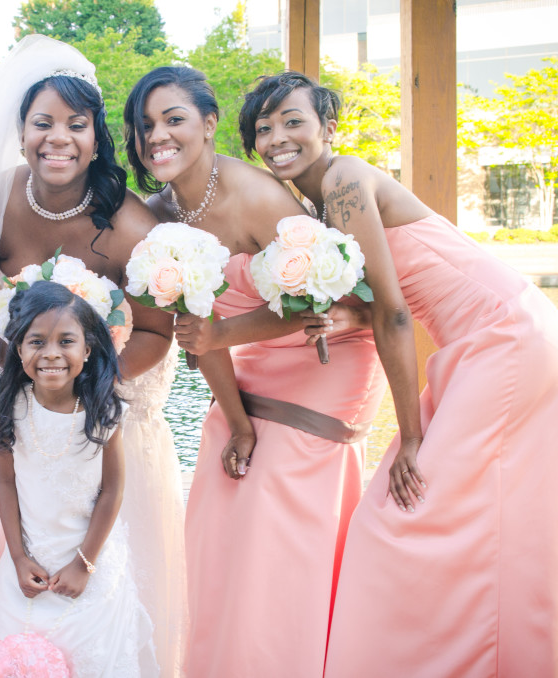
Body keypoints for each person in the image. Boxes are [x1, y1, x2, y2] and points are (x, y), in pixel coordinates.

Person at [240, 70, 558, 677]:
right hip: (488, 342)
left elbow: (395, 313)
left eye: (292, 121)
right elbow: (382, 298)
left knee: (402, 511)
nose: (277, 137)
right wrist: (341, 316)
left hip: (503, 339)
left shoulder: (344, 180)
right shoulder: (316, 207)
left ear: (328, 128)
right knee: (484, 512)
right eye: (263, 128)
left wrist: (411, 436)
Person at [0, 35, 186, 675]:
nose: (58, 137)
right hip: (28, 431)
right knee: (28, 588)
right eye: (42, 123)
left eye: (76, 124)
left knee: (123, 597)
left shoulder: (130, 227)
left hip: (111, 419)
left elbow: (155, 332)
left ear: (98, 137)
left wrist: (83, 382)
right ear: (21, 134)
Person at [124, 66, 386, 677]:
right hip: (249, 365)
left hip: (326, 354)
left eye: (173, 119)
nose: (156, 135)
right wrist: (237, 421)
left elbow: (325, 300)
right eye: (144, 126)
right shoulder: (159, 217)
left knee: (273, 519)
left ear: (209, 125)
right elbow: (198, 331)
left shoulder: (254, 196)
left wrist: (223, 335)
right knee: (219, 514)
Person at [0, 280, 157, 676]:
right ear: (18, 349)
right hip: (27, 561)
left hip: (88, 559)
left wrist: (84, 564)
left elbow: (112, 489)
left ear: (87, 350)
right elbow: (5, 483)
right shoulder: (8, 408)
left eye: (65, 341)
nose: (51, 354)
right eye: (37, 342)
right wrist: (18, 557)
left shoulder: (104, 412)